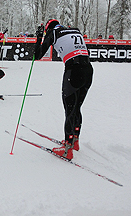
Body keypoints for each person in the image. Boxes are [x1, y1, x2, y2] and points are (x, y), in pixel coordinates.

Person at [34, 19, 93, 160]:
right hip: (88, 70)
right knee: (77, 107)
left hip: (73, 72)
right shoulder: (75, 30)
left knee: (70, 110)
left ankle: (67, 148)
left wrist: (39, 37)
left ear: (48, 28)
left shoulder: (53, 33)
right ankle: (75, 141)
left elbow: (37, 55)